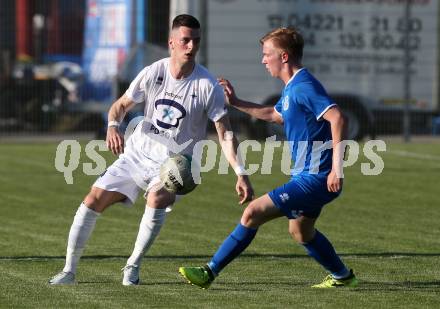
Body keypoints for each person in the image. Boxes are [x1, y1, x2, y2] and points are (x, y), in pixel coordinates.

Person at [49, 14, 253, 286]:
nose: (191, 47)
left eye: (196, 41)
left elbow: (225, 133)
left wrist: (240, 172)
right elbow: (120, 105)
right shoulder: (153, 72)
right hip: (136, 155)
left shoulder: (207, 85)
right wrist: (112, 126)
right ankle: (69, 271)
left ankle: (132, 266)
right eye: (185, 40)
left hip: (175, 165)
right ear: (172, 42)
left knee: (156, 198)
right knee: (92, 200)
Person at [179, 27, 358, 288]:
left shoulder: (304, 87)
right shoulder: (292, 87)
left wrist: (336, 169)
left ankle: (209, 272)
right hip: (308, 175)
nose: (263, 60)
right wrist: (237, 102)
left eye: (267, 54)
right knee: (300, 232)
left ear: (284, 57)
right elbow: (276, 115)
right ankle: (343, 276)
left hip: (315, 178)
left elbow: (337, 117)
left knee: (252, 213)